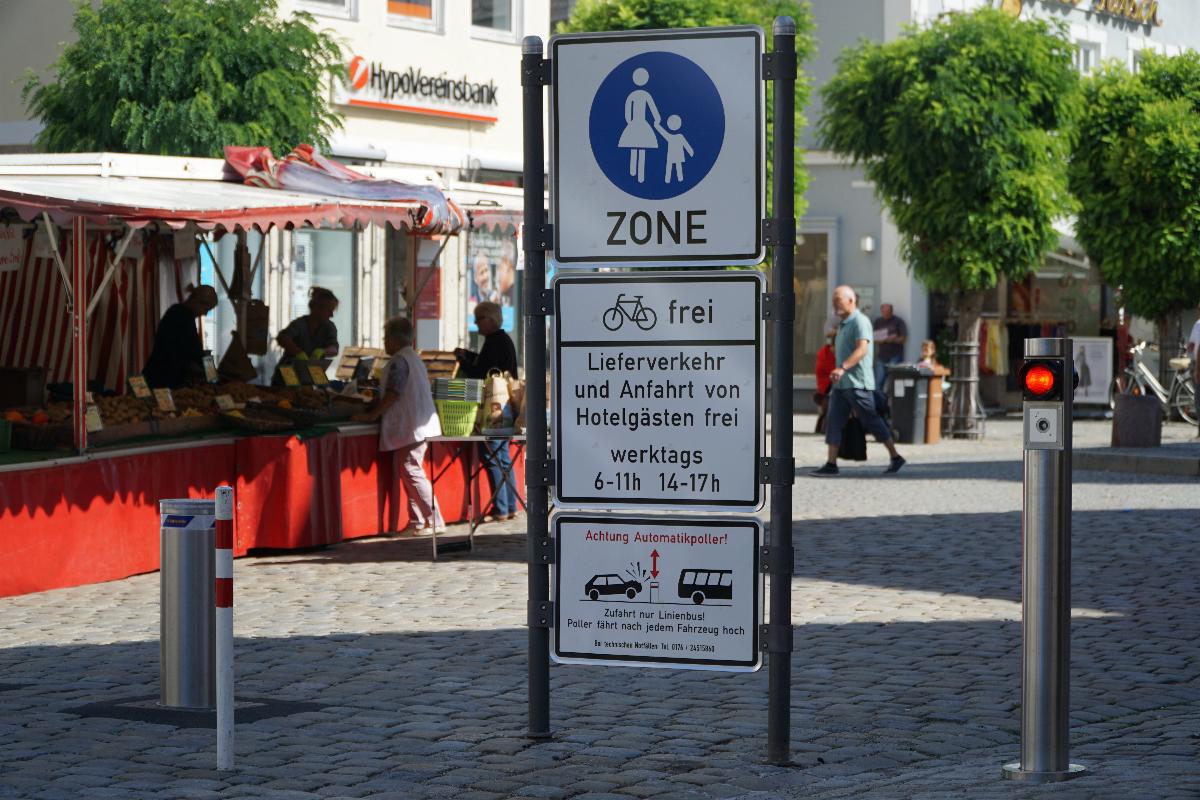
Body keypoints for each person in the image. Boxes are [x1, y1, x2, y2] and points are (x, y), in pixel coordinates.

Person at [355, 317, 444, 535]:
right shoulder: (413, 358)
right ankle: (417, 521)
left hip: (411, 424)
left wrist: (373, 414)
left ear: (394, 339)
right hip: (416, 423)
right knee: (408, 471)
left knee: (411, 470)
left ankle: (434, 520)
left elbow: (394, 393)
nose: (385, 343)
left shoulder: (399, 361)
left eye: (386, 338)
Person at [812, 285, 906, 476]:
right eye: (833, 301)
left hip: (857, 383)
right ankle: (831, 463)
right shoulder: (843, 324)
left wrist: (843, 367)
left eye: (838, 301)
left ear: (851, 301)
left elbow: (862, 350)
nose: (834, 305)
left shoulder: (860, 321)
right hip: (841, 385)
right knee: (833, 421)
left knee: (871, 420)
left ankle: (895, 457)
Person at [455, 301, 520, 521]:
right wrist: (470, 356)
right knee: (502, 456)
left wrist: (463, 362)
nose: (475, 324)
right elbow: (487, 364)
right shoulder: (502, 339)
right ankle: (510, 506)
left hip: (495, 408)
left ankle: (501, 507)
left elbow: (482, 372)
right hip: (506, 407)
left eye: (478, 319)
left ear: (489, 319)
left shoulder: (495, 341)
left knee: (492, 455)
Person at [142, 285, 218, 389]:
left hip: (157, 375)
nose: (204, 313)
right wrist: (213, 376)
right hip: (161, 380)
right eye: (206, 308)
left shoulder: (177, 312)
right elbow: (196, 351)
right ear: (197, 301)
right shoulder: (183, 316)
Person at [273, 286, 339, 385]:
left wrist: (323, 351)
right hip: (289, 369)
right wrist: (298, 352)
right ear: (317, 308)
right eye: (329, 310)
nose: (331, 315)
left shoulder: (329, 327)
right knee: (288, 395)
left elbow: (334, 349)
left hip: (314, 369)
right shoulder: (300, 324)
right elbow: (282, 338)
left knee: (318, 395)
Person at [873, 303, 908, 398]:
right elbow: (873, 338)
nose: (885, 314)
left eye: (888, 312)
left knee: (893, 381)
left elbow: (903, 339)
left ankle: (892, 404)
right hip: (881, 356)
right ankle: (882, 405)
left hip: (895, 355)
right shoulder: (878, 322)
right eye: (884, 312)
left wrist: (893, 339)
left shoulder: (898, 322)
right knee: (878, 383)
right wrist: (882, 339)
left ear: (892, 312)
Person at [813, 326, 837, 434]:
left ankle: (823, 428)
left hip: (831, 386)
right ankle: (823, 428)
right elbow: (826, 371)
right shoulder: (824, 354)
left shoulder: (832, 354)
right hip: (826, 388)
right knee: (828, 405)